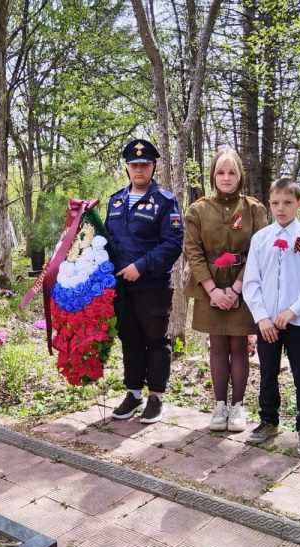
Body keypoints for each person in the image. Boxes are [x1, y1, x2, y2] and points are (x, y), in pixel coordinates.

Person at [243, 177, 300, 456]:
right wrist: (262, 317)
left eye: (288, 203)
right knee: (268, 371)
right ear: (269, 203)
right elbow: (251, 282)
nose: (281, 208)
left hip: (299, 321)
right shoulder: (261, 239)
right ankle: (269, 420)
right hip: (267, 322)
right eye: (276, 203)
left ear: (299, 204)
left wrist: (293, 310)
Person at [184, 149, 267, 432]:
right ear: (212, 175)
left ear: (240, 175)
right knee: (217, 346)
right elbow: (193, 251)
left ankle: (238, 406)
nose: (226, 178)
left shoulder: (253, 209)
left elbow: (259, 250)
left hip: (244, 282)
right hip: (208, 284)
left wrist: (236, 288)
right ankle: (220, 406)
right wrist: (213, 290)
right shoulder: (198, 209)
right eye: (220, 172)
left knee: (239, 346)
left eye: (232, 172)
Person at [106, 138, 184, 424]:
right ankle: (133, 393)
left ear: (153, 166)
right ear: (127, 167)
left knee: (156, 341)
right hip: (122, 287)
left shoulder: (165, 201)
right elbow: (107, 241)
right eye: (134, 164)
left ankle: (156, 396)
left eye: (145, 164)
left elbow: (173, 243)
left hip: (152, 285)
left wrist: (141, 266)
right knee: (130, 339)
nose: (139, 169)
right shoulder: (115, 200)